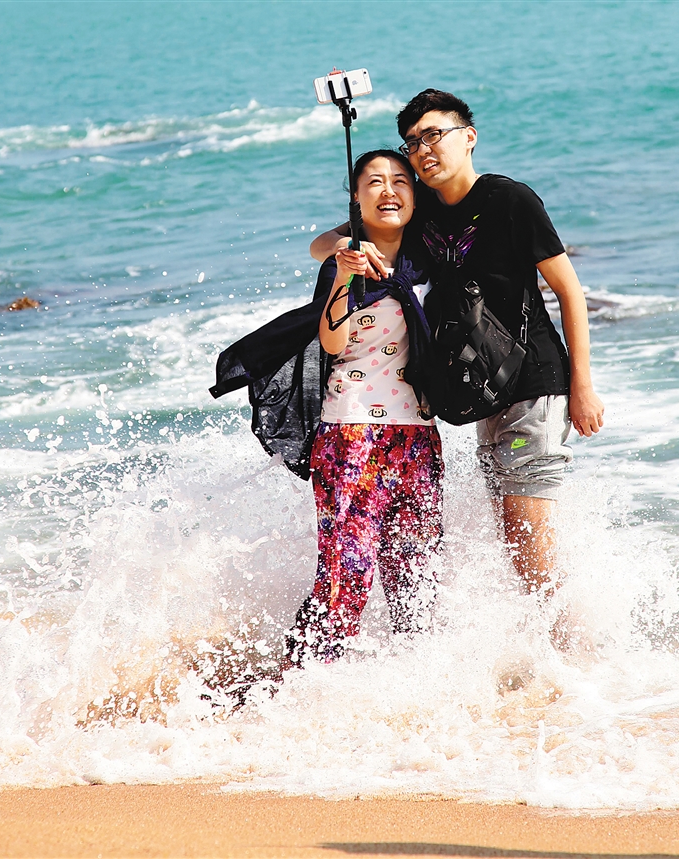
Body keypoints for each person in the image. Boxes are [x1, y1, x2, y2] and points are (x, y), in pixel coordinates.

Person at [311, 90, 604, 602]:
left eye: (434, 135)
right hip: (486, 390)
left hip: (534, 384)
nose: (423, 149)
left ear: (468, 137)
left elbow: (569, 290)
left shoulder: (509, 200)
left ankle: (570, 648)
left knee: (529, 546)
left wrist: (583, 386)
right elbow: (324, 243)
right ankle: (549, 641)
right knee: (517, 544)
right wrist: (342, 249)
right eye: (412, 142)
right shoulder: (421, 208)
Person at [210, 150, 442, 671]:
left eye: (400, 181)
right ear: (356, 199)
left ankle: (416, 688)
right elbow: (333, 340)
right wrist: (342, 269)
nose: (389, 191)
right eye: (374, 182)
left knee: (417, 580)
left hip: (419, 437)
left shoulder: (430, 261)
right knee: (345, 580)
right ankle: (298, 685)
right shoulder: (345, 264)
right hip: (351, 436)